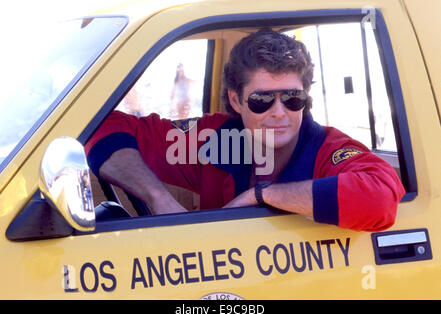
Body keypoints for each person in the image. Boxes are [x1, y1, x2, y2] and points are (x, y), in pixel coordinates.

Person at [85, 29, 405, 231]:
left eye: (293, 99)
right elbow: (100, 124)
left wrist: (260, 195)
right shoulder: (214, 139)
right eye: (262, 100)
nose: (279, 113)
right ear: (237, 101)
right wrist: (157, 198)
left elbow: (380, 198)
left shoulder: (329, 149)